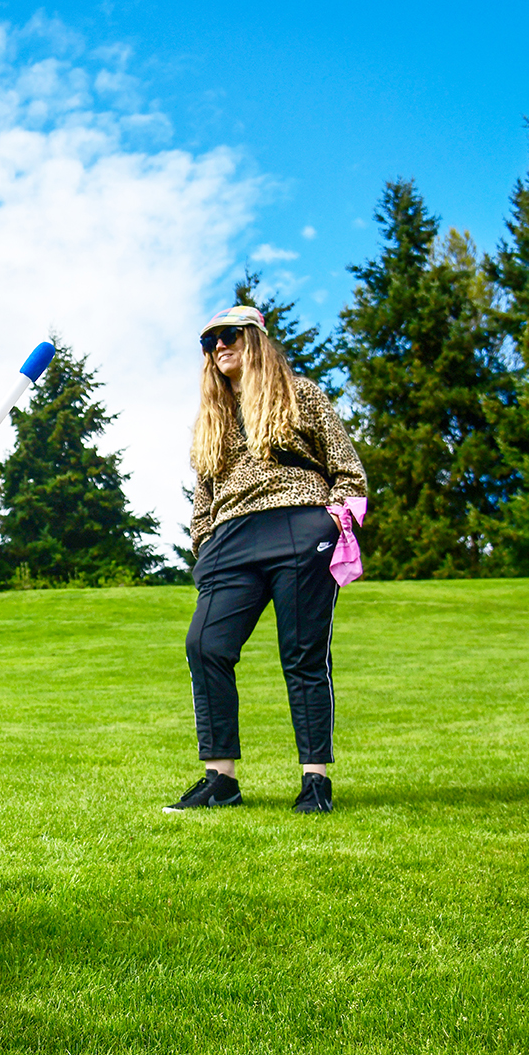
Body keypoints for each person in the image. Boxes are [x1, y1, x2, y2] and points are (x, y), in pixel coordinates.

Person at [171, 306, 368, 815]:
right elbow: (204, 494)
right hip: (231, 537)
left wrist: (335, 521)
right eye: (209, 341)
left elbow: (348, 469)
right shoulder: (210, 418)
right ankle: (221, 780)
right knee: (205, 643)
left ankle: (315, 781)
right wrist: (205, 546)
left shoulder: (301, 394)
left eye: (228, 335)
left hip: (300, 524)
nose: (218, 346)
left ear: (254, 339)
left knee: (302, 654)